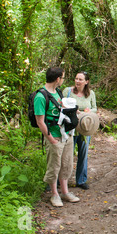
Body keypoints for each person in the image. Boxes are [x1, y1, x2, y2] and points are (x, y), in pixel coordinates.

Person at [34, 67, 80, 207]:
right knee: (54, 166)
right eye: (63, 77)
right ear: (58, 79)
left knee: (66, 164)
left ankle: (65, 193)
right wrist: (51, 139)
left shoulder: (58, 92)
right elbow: (40, 121)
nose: (63, 80)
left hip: (65, 135)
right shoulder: (40, 96)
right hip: (54, 136)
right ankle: (54, 194)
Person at [63, 71, 97, 190]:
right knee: (66, 155)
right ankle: (61, 180)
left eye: (80, 79)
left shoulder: (90, 93)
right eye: (76, 78)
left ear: (86, 82)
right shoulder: (68, 92)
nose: (77, 81)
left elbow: (95, 108)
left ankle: (81, 180)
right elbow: (62, 106)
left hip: (84, 128)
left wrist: (89, 111)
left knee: (83, 154)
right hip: (70, 128)